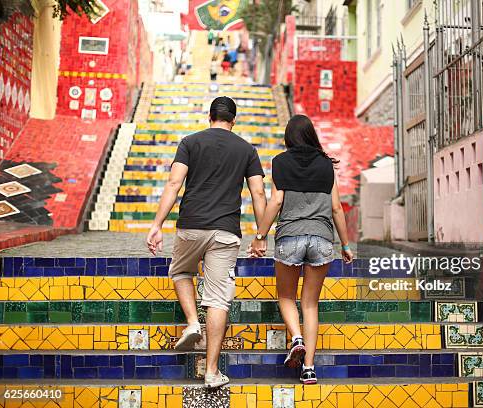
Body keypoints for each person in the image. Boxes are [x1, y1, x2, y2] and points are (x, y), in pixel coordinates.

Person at [146, 97, 267, 388]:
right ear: (233, 120)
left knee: (181, 272)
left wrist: (157, 224)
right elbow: (259, 193)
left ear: (209, 116)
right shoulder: (247, 150)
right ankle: (212, 372)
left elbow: (174, 184)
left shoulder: (190, 142)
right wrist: (261, 236)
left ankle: (191, 322)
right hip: (226, 232)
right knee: (218, 300)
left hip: (190, 225)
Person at [250, 114, 353, 385]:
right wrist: (345, 244)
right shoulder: (326, 165)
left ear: (288, 138)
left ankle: (296, 337)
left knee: (286, 296)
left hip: (290, 237)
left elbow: (276, 201)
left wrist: (260, 234)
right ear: (311, 136)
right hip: (321, 239)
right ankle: (309, 368)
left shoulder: (281, 162)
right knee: (310, 303)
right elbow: (335, 208)